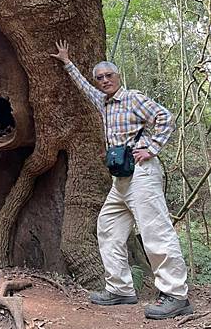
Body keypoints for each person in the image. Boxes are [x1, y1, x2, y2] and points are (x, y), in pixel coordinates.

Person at [51, 40, 193, 320]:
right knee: (108, 227)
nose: (105, 81)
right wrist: (67, 62)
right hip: (121, 180)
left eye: (109, 76)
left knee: (155, 230)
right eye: (100, 77)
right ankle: (120, 289)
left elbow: (165, 118)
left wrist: (151, 148)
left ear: (119, 77)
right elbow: (84, 87)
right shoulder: (104, 103)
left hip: (142, 175)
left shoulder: (133, 98)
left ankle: (176, 295)